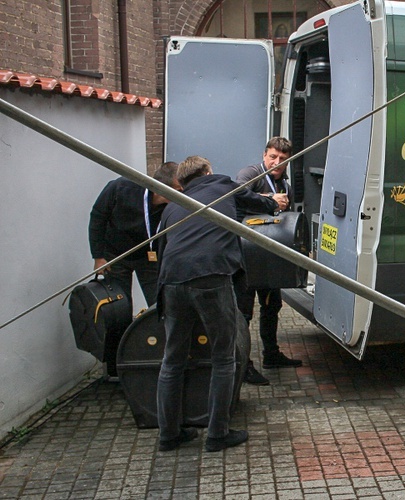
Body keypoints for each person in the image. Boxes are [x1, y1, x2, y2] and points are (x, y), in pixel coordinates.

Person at [155, 155, 285, 453]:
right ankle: (217, 434)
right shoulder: (222, 184)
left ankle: (169, 434)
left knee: (172, 359)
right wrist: (275, 204)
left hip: (172, 280)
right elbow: (255, 202)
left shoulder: (173, 204)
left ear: (182, 182)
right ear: (208, 171)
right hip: (210, 276)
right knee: (223, 357)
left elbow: (161, 247)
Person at [235, 137, 302, 386]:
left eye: (283, 159)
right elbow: (238, 193)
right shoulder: (251, 173)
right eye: (273, 157)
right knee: (243, 313)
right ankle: (243, 365)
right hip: (244, 255)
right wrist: (269, 200)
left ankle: (271, 355)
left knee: (272, 306)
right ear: (264, 155)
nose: (277, 162)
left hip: (266, 255)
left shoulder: (284, 183)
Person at [88, 162, 181, 308]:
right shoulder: (121, 187)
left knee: (159, 301)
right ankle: (123, 330)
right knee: (120, 304)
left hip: (148, 256)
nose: (182, 194)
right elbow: (98, 217)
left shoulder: (174, 206)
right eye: (178, 190)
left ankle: (157, 330)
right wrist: (98, 257)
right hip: (116, 255)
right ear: (161, 188)